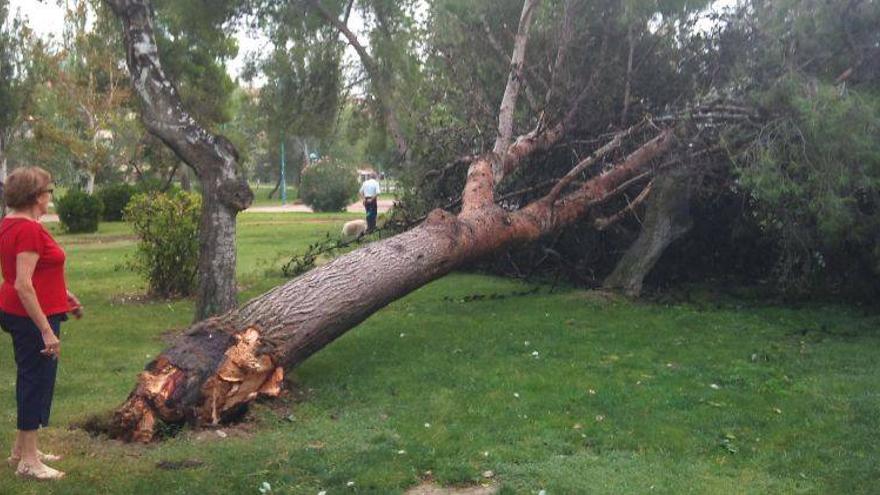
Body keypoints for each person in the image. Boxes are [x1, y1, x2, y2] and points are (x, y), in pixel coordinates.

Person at [0, 167, 82, 480]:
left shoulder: (11, 224)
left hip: (17, 310)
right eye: (49, 192)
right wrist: (47, 331)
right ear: (37, 197)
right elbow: (23, 283)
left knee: (30, 378)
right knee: (36, 382)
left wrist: (65, 295)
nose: (50, 197)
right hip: (30, 316)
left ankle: (22, 450)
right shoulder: (30, 230)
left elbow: (35, 273)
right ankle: (30, 463)